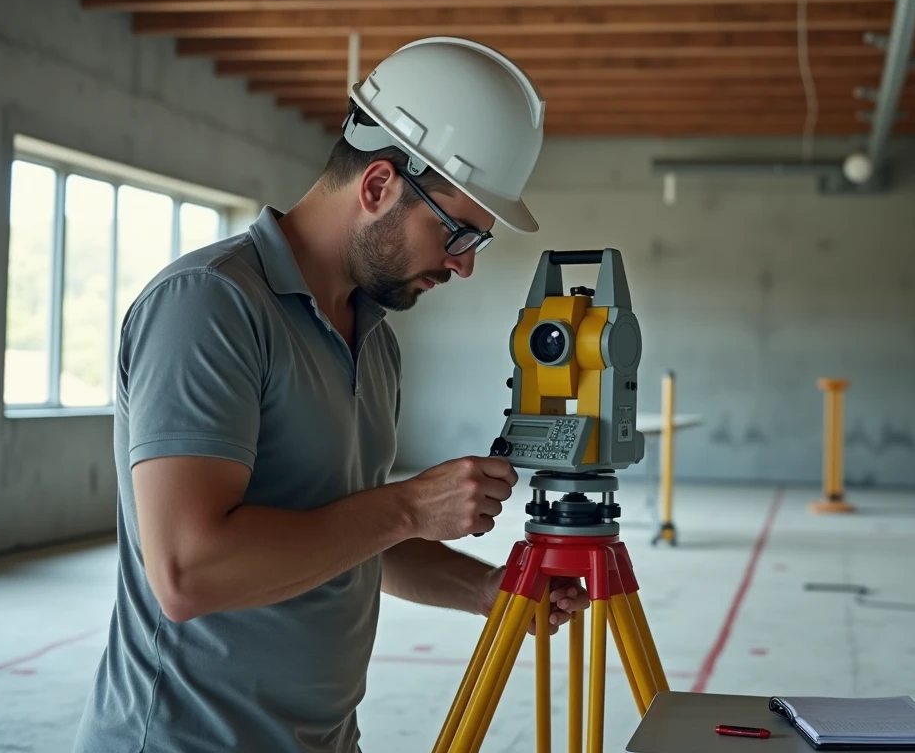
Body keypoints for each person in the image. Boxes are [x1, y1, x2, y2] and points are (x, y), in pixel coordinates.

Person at [72, 37, 587, 753]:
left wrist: (484, 589)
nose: (463, 266)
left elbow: (342, 536)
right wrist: (410, 505)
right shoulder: (210, 306)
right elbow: (190, 572)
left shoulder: (374, 340)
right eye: (460, 232)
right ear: (377, 186)